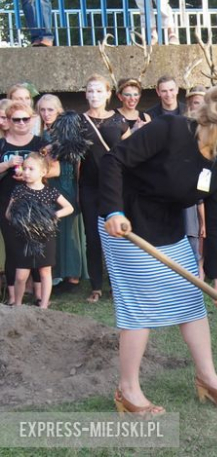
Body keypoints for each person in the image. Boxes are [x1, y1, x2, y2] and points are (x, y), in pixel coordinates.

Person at [100, 81, 217, 415]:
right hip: (127, 224)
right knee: (139, 305)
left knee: (190, 301)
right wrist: (113, 211)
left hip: (168, 227)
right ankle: (127, 390)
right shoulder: (170, 129)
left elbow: (216, 217)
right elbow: (113, 162)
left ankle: (207, 378)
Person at [80, 75, 130, 304]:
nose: (94, 96)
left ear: (108, 94)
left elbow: (130, 152)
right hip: (89, 186)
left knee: (117, 235)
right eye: (90, 91)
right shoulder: (79, 122)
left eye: (99, 91)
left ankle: (118, 284)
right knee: (93, 236)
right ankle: (96, 286)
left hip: (114, 185)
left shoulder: (119, 120)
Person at [0, 101, 54, 305]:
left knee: (40, 248)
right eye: (16, 119)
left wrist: (31, 175)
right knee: (14, 249)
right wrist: (6, 165)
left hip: (38, 205)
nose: (21, 123)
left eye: (25, 119)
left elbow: (54, 170)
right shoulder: (2, 144)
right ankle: (14, 298)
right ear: (9, 121)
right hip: (8, 202)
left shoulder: (40, 144)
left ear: (32, 119)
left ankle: (41, 297)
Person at [6, 153, 74, 308]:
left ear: (43, 172)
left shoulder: (50, 191)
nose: (27, 172)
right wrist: (22, 219)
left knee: (45, 272)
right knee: (21, 275)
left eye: (31, 169)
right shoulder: (19, 190)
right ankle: (17, 305)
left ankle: (44, 306)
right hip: (24, 237)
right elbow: (8, 214)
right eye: (25, 168)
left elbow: (69, 208)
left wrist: (52, 215)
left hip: (46, 238)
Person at [38, 95, 88, 290]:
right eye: (42, 110)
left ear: (58, 110)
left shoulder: (64, 130)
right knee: (56, 229)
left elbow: (73, 156)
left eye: (50, 110)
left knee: (69, 229)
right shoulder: (44, 131)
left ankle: (72, 276)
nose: (46, 113)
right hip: (51, 182)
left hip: (65, 182)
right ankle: (59, 274)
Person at [185, 86, 207, 274]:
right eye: (194, 103)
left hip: (207, 182)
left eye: (200, 103)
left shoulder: (212, 129)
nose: (196, 107)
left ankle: (204, 267)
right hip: (188, 185)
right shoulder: (183, 127)